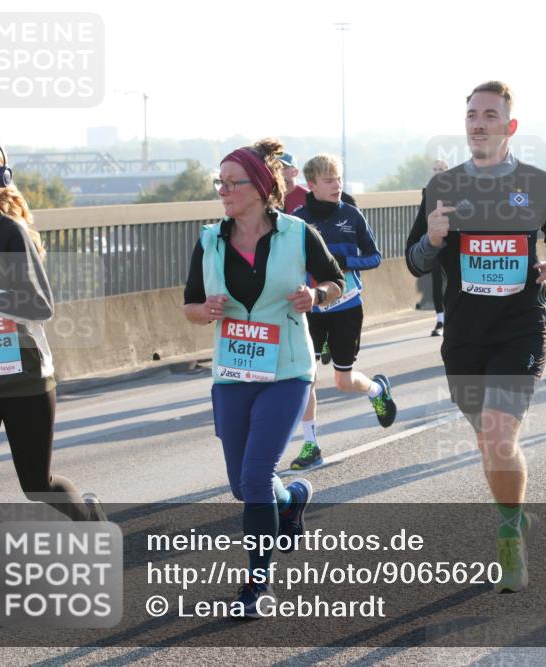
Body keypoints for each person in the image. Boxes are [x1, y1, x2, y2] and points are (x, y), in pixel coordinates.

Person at [405, 81, 546, 593]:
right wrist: (433, 240)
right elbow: (414, 260)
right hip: (464, 333)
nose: (479, 122)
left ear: (510, 126)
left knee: (500, 437)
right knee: (488, 442)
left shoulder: (536, 181)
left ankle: (508, 538)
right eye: (473, 115)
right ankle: (517, 514)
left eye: (490, 114)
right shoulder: (443, 188)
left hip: (521, 323)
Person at [0, 137, 106, 644]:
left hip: (23, 378)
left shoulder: (9, 233)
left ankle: (86, 517)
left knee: (34, 484)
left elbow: (40, 306)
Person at [183, 138, 344, 617]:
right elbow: (190, 304)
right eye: (220, 183)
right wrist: (204, 311)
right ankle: (292, 498)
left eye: (232, 183)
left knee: (255, 477)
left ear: (258, 187)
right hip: (232, 371)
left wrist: (316, 297)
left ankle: (258, 584)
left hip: (288, 369)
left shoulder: (297, 233)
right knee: (243, 484)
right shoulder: (209, 239)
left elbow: (338, 282)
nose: (223, 191)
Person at [291, 154, 396, 470]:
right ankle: (310, 445)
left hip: (347, 305)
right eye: (329, 181)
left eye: (339, 179)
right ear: (312, 185)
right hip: (311, 307)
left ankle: (377, 390)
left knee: (342, 380)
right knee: (305, 379)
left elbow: (375, 257)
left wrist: (346, 263)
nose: (337, 185)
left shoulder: (352, 215)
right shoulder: (297, 219)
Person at [429, 159, 450, 336]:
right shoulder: (427, 191)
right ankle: (440, 320)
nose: (438, 172)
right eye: (435, 169)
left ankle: (453, 316)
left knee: (452, 279)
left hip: (452, 242)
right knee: (436, 281)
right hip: (435, 242)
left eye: (441, 169)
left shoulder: (455, 189)